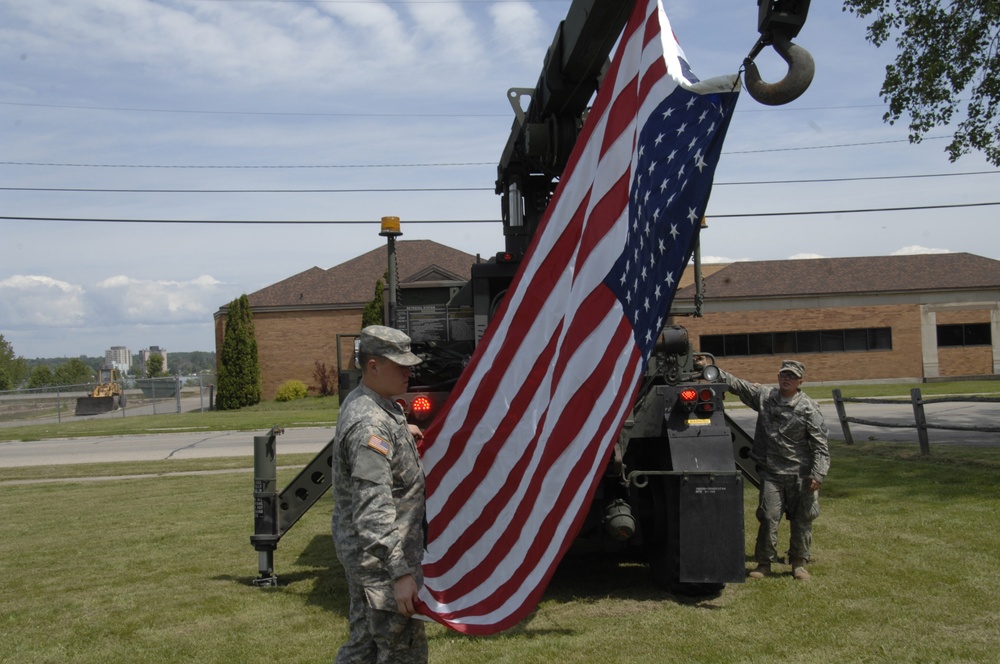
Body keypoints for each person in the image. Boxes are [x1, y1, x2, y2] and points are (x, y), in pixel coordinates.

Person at [331, 325, 428, 663]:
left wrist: (404, 432)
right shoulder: (369, 425)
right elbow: (373, 507)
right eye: (399, 365)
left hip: (368, 557)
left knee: (363, 647)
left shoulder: (374, 404)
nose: (408, 372)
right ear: (373, 366)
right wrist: (399, 573)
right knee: (402, 653)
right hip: (382, 563)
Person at [714, 359, 830, 581]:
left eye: (792, 377)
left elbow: (820, 445)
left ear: (800, 381)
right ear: (778, 377)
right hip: (772, 473)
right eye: (784, 375)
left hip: (800, 474)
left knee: (802, 519)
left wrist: (818, 474)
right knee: (768, 516)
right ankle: (764, 562)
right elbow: (738, 385)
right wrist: (710, 368)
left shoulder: (808, 407)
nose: (787, 379)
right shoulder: (765, 397)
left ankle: (798, 563)